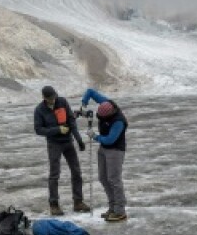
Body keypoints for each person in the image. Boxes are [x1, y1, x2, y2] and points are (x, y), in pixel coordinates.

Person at [32, 85, 91, 216]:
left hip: (68, 142)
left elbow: (71, 120)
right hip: (54, 144)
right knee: (54, 174)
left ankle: (78, 202)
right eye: (50, 99)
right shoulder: (39, 110)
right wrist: (57, 130)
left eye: (54, 97)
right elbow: (38, 129)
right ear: (44, 98)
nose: (53, 100)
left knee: (76, 171)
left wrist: (78, 139)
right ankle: (54, 204)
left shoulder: (62, 102)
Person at [79, 87, 128, 222]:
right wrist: (84, 103)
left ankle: (120, 211)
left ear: (109, 114)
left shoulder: (118, 121)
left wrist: (95, 136)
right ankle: (112, 207)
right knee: (103, 178)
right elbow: (90, 91)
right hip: (103, 149)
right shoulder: (106, 103)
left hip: (115, 150)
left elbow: (110, 139)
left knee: (114, 179)